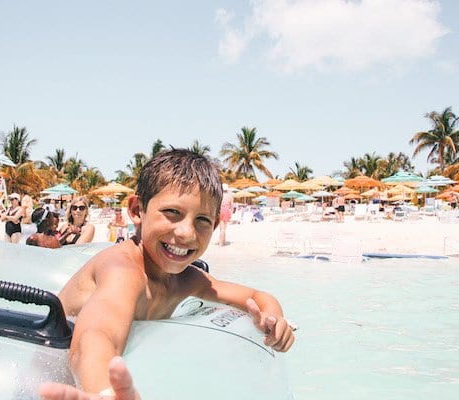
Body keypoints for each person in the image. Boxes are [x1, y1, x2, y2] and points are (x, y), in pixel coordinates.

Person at [40, 149, 295, 400]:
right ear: (138, 210)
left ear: (215, 225)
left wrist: (274, 320)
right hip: (55, 383)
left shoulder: (186, 280)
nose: (186, 233)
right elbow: (94, 337)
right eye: (172, 213)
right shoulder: (123, 271)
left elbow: (256, 296)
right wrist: (105, 391)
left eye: (202, 220)